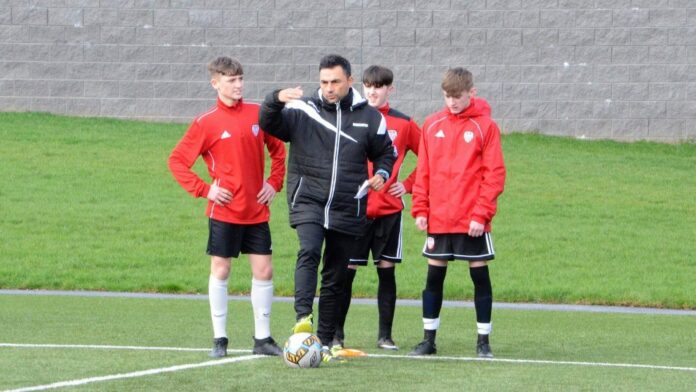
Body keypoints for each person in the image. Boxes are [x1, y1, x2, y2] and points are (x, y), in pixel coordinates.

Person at [258, 54, 396, 360]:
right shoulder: (303, 109)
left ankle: (324, 338)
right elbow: (267, 121)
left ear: (349, 80)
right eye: (324, 82)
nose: (329, 88)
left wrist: (382, 174)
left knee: (336, 274)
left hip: (348, 204)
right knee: (308, 250)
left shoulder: (370, 117)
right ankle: (303, 319)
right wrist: (275, 99)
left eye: (335, 81)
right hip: (308, 199)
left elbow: (386, 153)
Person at [168, 56, 286, 358]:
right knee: (221, 270)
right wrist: (205, 190)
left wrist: (274, 182)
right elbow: (177, 161)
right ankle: (219, 339)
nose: (238, 85)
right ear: (215, 83)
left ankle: (262, 339)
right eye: (231, 80)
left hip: (256, 211)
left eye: (241, 79)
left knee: (264, 270)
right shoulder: (205, 122)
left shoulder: (259, 114)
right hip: (224, 212)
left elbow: (278, 151)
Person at [409, 67, 506, 358]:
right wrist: (420, 209)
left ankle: (483, 343)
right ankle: (428, 340)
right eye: (447, 96)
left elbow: (494, 175)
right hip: (438, 219)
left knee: (479, 277)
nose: (452, 102)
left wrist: (481, 214)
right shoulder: (430, 124)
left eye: (458, 96)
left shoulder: (485, 127)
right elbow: (423, 171)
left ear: (471, 93)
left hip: (471, 221)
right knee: (433, 278)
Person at [332, 65, 421, 351]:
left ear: (389, 89)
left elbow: (430, 158)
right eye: (369, 85)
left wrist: (407, 185)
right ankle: (336, 333)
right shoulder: (350, 118)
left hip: (388, 213)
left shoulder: (404, 124)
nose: (373, 91)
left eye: (379, 86)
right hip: (353, 211)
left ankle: (385, 336)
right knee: (346, 273)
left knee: (386, 271)